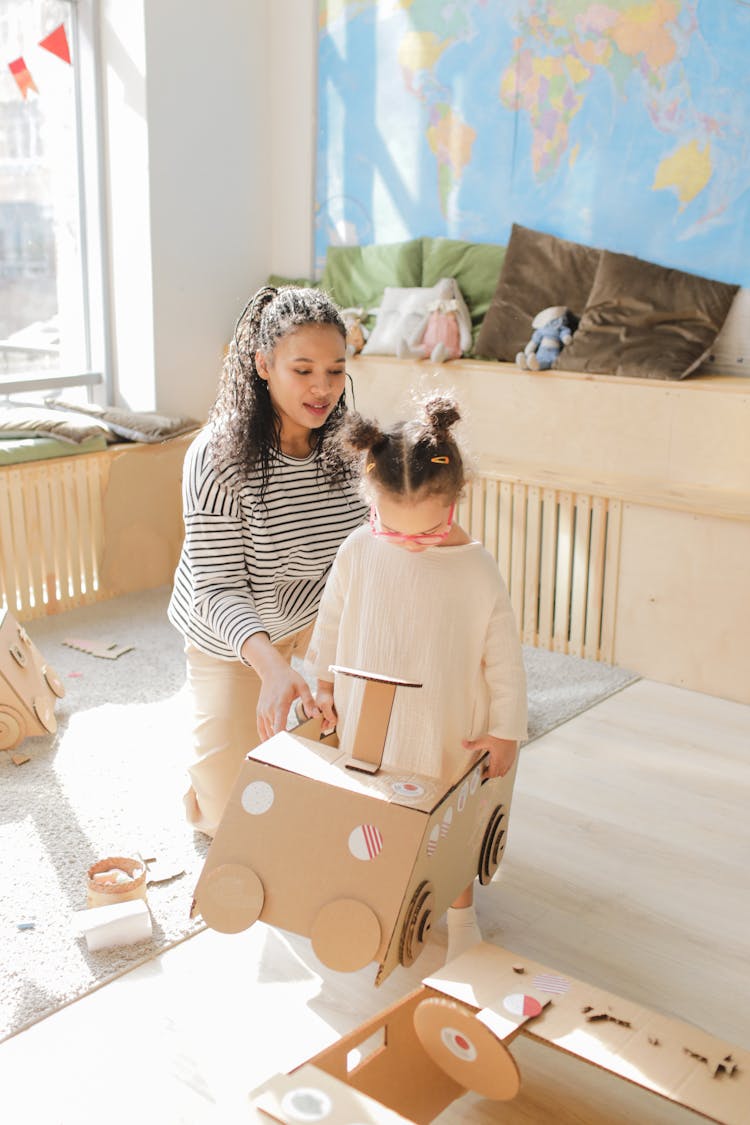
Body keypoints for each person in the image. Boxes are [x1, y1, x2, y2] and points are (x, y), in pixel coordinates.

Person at [304, 391, 527, 962]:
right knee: (374, 810)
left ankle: (461, 916)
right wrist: (323, 684)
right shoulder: (358, 548)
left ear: (454, 504)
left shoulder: (475, 568)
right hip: (371, 721)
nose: (407, 543)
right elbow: (329, 622)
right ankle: (379, 893)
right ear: (370, 503)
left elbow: (503, 659)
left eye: (424, 533)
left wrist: (505, 731)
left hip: (448, 726)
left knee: (449, 825)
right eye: (392, 528)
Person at [168, 285, 368, 836]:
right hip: (228, 633)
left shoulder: (346, 448)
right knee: (231, 820)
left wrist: (329, 665)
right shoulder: (215, 455)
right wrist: (273, 668)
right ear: (262, 364)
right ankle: (205, 774)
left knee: (367, 743)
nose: (322, 388)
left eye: (334, 370)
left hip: (311, 618)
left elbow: (361, 558)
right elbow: (216, 588)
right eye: (303, 370)